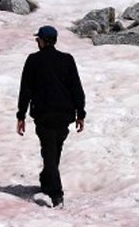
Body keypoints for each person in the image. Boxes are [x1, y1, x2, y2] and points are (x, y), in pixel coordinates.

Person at [16, 25, 86, 208]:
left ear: (42, 41)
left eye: (37, 39)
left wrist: (21, 115)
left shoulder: (33, 60)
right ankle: (46, 180)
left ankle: (56, 194)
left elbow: (25, 90)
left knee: (49, 152)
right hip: (64, 114)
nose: (36, 42)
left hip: (44, 114)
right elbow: (76, 88)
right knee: (54, 150)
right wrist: (81, 113)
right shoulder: (67, 60)